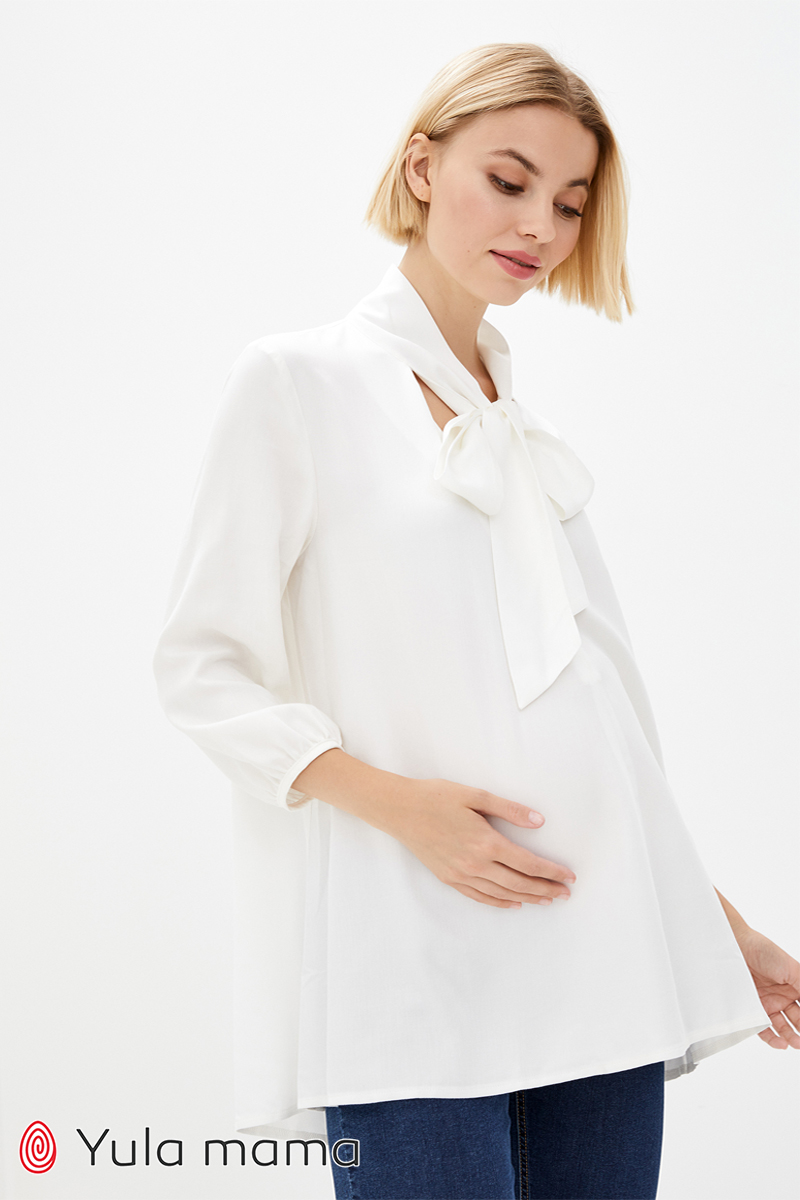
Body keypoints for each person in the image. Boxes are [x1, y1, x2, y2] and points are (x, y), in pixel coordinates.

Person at [152, 42, 799, 1200]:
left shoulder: (521, 433)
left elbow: (594, 726)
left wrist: (716, 926)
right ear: (420, 167)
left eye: (568, 202)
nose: (538, 226)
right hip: (408, 968)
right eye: (507, 180)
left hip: (601, 970)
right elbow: (201, 668)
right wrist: (402, 809)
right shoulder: (297, 383)